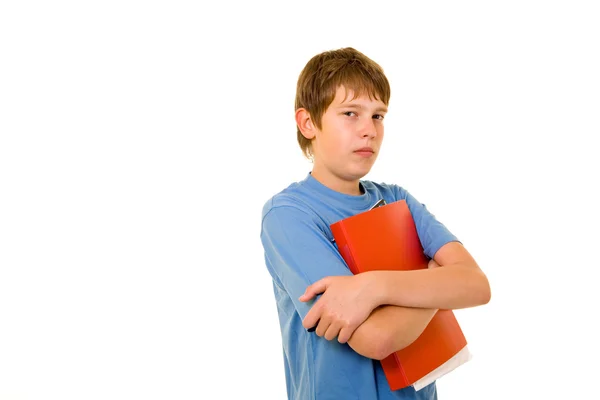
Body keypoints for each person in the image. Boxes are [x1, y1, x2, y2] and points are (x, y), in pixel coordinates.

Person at [259, 47, 491, 400]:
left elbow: (476, 286)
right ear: (308, 123)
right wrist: (434, 280)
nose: (369, 130)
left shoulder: (398, 199)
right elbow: (377, 338)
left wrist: (374, 287)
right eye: (350, 113)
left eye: (378, 116)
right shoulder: (289, 215)